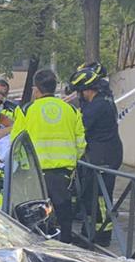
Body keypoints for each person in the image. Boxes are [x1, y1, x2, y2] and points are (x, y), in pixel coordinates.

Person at [11, 69, 86, 242]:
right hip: (63, 173)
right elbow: (81, 142)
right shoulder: (71, 110)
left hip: (35, 173)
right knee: (64, 215)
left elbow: (17, 142)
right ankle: (65, 248)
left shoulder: (26, 110)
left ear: (36, 89)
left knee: (36, 216)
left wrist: (22, 166)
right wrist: (72, 162)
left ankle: (39, 249)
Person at [68, 62, 123, 246]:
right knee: (91, 194)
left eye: (80, 92)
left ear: (88, 90)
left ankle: (101, 235)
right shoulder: (102, 101)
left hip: (104, 157)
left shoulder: (97, 106)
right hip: (102, 154)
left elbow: (81, 127)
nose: (79, 96)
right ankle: (90, 230)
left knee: (100, 196)